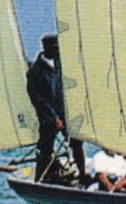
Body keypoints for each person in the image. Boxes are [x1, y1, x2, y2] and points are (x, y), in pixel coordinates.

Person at [26, 34, 86, 184]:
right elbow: (39, 100)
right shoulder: (35, 72)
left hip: (64, 114)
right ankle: (39, 180)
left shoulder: (60, 65)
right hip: (47, 117)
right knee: (45, 148)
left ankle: (83, 176)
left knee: (77, 143)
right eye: (54, 49)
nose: (57, 52)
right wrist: (54, 118)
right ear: (46, 49)